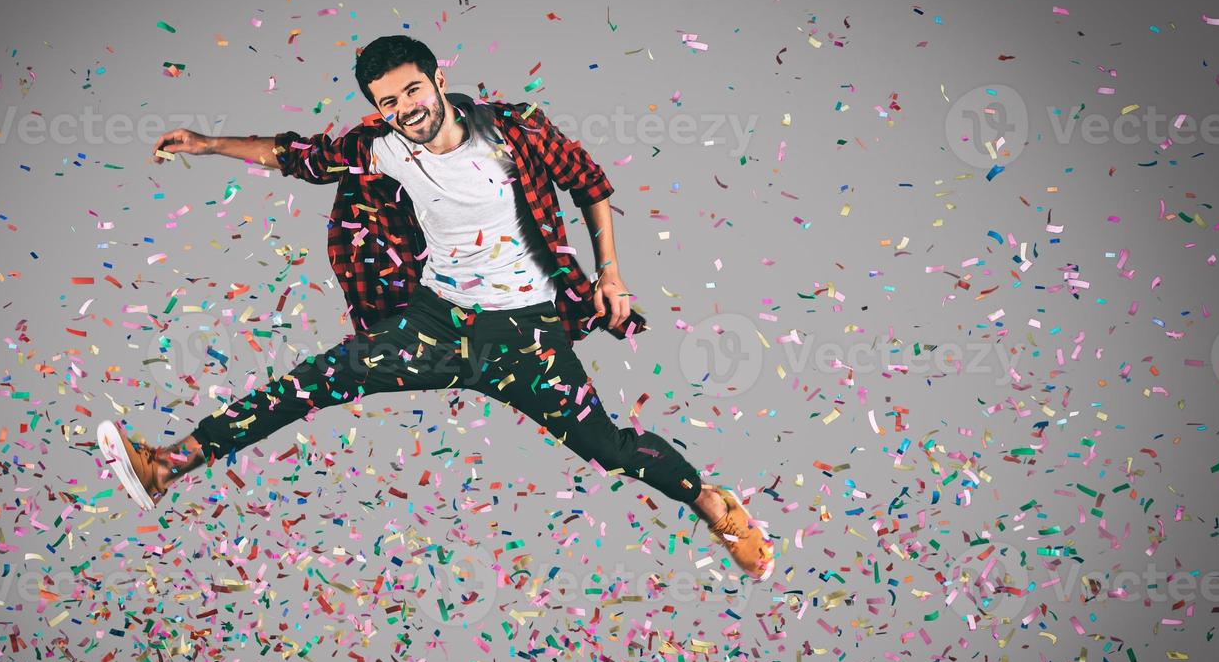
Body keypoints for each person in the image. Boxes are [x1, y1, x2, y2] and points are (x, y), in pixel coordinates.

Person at [96, 35, 773, 580]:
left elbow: (589, 184)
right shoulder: (380, 147)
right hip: (436, 326)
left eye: (412, 90)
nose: (405, 108)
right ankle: (167, 465)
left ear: (438, 81)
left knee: (607, 447)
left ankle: (709, 502)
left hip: (527, 339)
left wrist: (611, 278)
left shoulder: (513, 133)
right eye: (388, 100)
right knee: (308, 383)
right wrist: (208, 144)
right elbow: (297, 157)